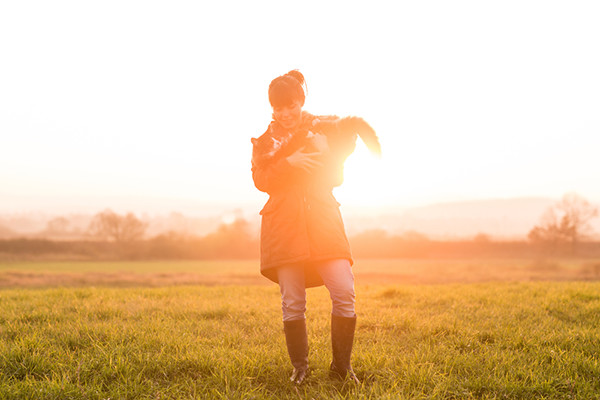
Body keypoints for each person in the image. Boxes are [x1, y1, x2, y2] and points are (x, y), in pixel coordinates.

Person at [251, 70, 361, 385]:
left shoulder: (320, 132)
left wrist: (329, 152)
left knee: (343, 290)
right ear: (272, 108)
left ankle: (342, 368)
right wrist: (290, 162)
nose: (285, 113)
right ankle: (300, 369)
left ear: (301, 102)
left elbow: (335, 177)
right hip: (284, 227)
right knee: (293, 301)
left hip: (323, 222)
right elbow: (261, 181)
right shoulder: (264, 142)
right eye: (279, 108)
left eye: (291, 106)